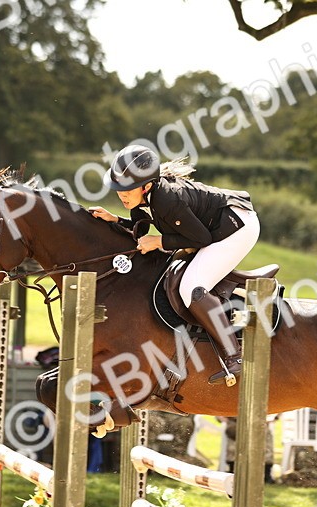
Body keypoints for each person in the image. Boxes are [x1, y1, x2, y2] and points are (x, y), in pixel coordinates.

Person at [88, 145, 259, 385]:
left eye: (127, 189)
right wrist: (114, 219)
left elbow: (202, 240)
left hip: (237, 226)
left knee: (191, 287)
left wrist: (159, 241)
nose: (122, 195)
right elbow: (142, 229)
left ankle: (234, 355)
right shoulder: (146, 196)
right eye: (118, 189)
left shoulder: (167, 199)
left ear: (146, 186)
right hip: (215, 227)